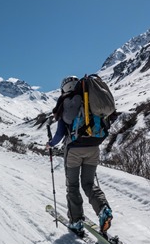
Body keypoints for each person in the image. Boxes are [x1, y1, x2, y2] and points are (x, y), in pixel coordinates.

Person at [46, 75, 113, 234]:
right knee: (89, 184)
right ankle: (104, 210)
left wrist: (50, 144)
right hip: (93, 148)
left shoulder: (66, 105)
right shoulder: (90, 101)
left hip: (74, 151)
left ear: (64, 89)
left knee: (73, 186)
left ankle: (76, 222)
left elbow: (60, 134)